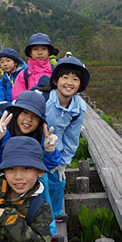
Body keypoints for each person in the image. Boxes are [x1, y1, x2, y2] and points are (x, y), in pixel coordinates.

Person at [0, 90, 60, 185]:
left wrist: (49, 151)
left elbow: (48, 165)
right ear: (16, 113)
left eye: (35, 117)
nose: (29, 120)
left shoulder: (39, 138)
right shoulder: (1, 132)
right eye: (24, 112)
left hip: (22, 190)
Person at [37, 57, 90, 224]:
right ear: (55, 80)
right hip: (34, 145)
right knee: (41, 181)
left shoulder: (78, 108)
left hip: (54, 148)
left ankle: (56, 212)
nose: (69, 83)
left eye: (75, 79)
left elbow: (72, 137)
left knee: (58, 180)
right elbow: (16, 107)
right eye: (65, 77)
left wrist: (64, 162)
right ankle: (46, 222)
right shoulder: (41, 98)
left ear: (80, 85)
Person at [11, 33, 59, 100]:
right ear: (30, 53)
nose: (40, 53)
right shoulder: (23, 75)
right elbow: (18, 99)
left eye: (44, 49)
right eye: (36, 49)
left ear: (49, 52)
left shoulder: (56, 73)